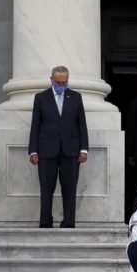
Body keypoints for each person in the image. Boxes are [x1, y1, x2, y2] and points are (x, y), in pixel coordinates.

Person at [28, 66, 88, 228]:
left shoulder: (75, 97)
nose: (61, 85)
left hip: (71, 150)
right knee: (46, 188)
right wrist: (33, 150)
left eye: (64, 82)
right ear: (51, 79)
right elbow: (35, 125)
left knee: (70, 188)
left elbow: (81, 124)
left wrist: (84, 148)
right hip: (46, 149)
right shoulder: (41, 97)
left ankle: (68, 222)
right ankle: (46, 221)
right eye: (58, 82)